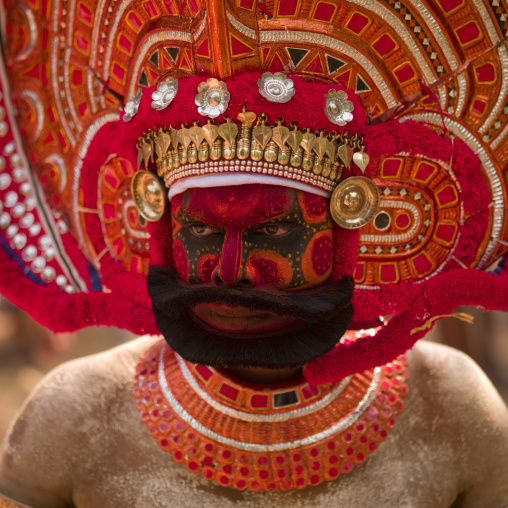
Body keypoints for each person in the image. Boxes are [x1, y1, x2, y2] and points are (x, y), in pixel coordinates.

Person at [1, 1, 508, 507]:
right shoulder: (76, 413)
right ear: (161, 226)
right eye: (200, 230)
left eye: (274, 231)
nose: (229, 270)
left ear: (349, 223)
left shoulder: (451, 409)